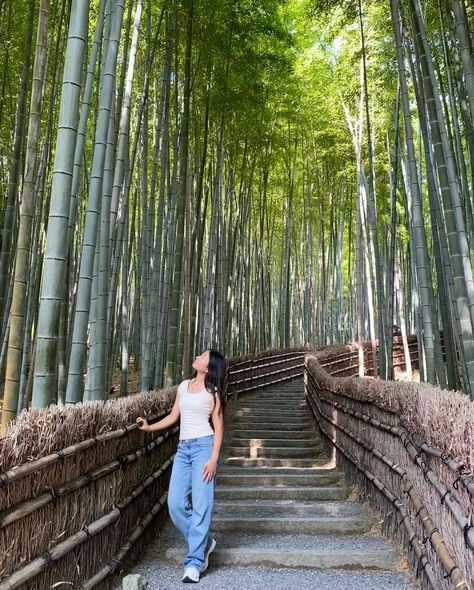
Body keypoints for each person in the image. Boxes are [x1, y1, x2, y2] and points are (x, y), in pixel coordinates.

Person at [136, 349, 227, 583]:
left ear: (209, 367)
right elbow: (173, 416)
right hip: (183, 449)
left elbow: (218, 426)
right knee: (175, 504)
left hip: (204, 449)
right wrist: (149, 427)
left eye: (203, 356)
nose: (197, 356)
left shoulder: (213, 393)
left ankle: (194, 563)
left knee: (201, 505)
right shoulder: (183, 386)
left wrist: (214, 458)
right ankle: (204, 543)